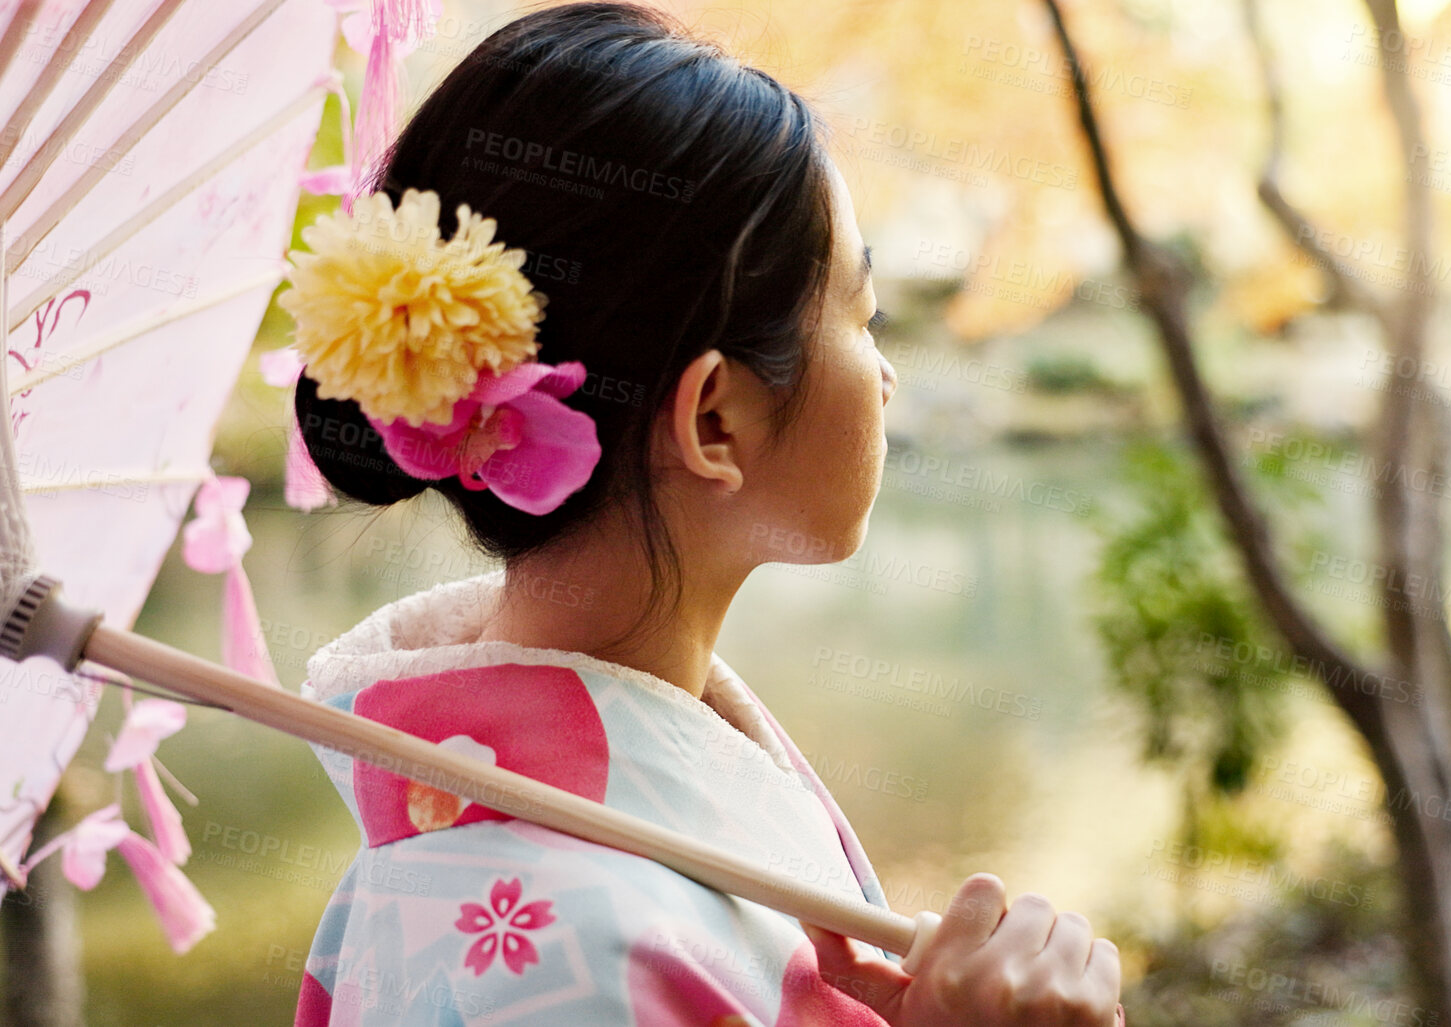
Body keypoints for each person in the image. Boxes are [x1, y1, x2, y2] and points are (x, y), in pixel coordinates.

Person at [282, 3, 1124, 1024]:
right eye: (862, 315)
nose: (888, 372)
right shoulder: (562, 943)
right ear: (715, 417)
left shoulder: (561, 851)